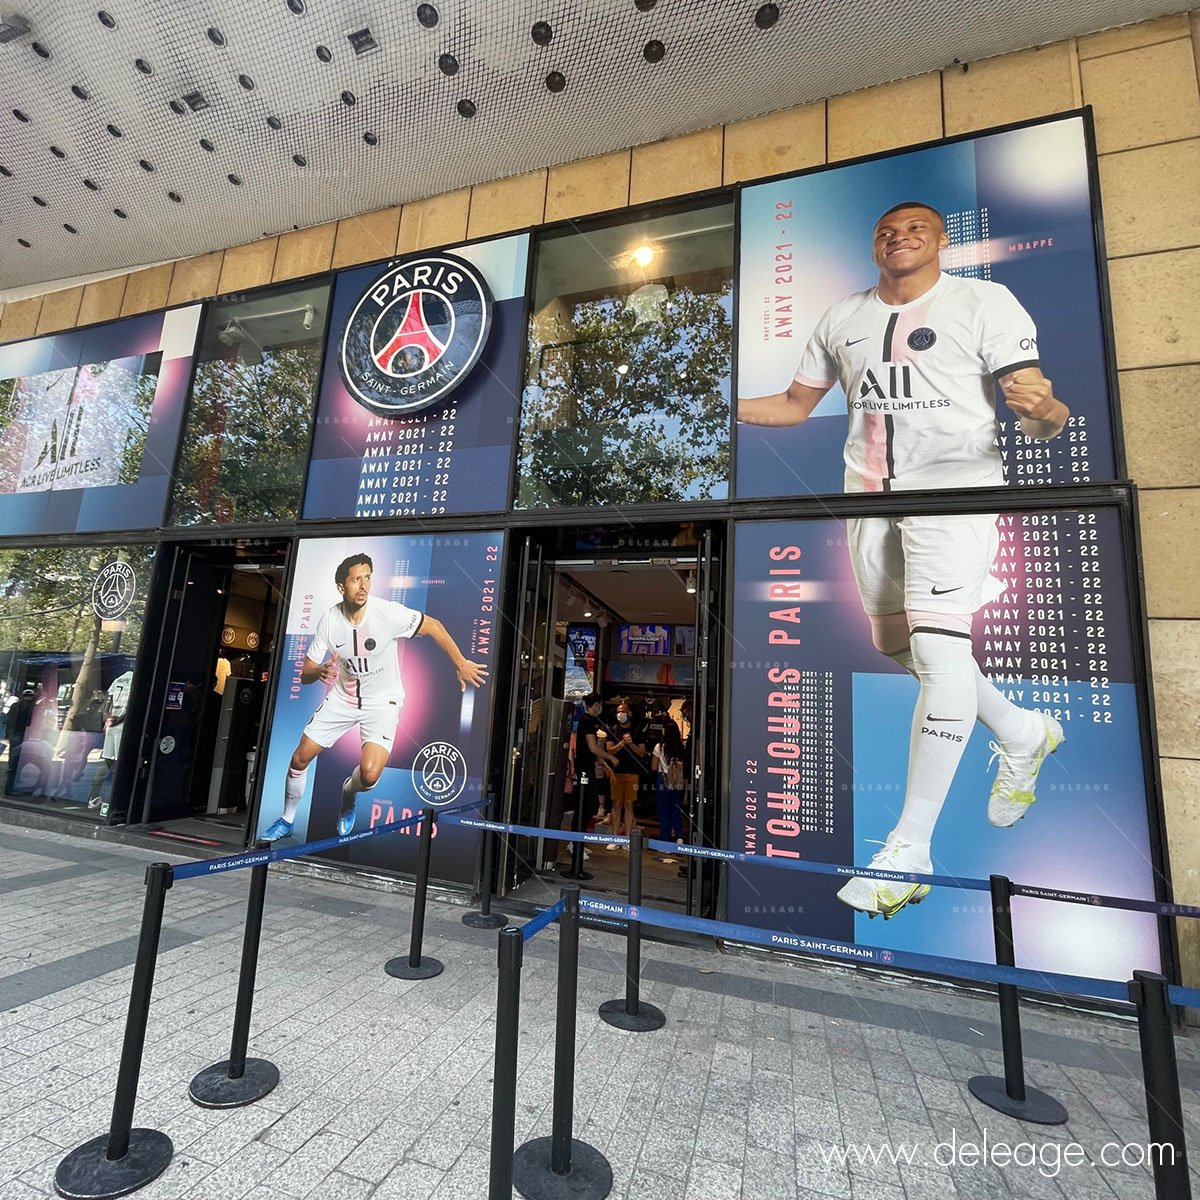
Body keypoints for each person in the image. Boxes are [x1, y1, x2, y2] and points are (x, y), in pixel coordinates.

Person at [739, 201, 1070, 919]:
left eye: (916, 229)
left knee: (942, 653)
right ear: (873, 245)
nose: (901, 238)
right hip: (866, 499)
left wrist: (1042, 410)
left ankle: (909, 851)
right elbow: (797, 405)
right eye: (888, 231)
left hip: (955, 495)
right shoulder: (843, 317)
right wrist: (721, 405)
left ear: (942, 240)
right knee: (897, 644)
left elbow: (1044, 414)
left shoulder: (985, 301)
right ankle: (1022, 730)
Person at [262, 553, 487, 841]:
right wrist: (319, 670)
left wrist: (460, 662)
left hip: (382, 703)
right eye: (356, 579)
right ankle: (287, 819)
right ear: (341, 586)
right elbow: (305, 672)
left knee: (368, 775)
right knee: (299, 758)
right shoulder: (329, 621)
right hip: (342, 700)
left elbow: (434, 626)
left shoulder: (386, 613)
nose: (363, 585)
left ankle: (348, 792)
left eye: (367, 577)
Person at [606, 699, 647, 845]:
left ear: (629, 713)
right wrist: (623, 743)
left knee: (629, 805)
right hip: (616, 773)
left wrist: (631, 744)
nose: (620, 714)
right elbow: (609, 750)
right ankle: (614, 838)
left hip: (633, 773)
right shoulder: (612, 729)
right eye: (618, 712)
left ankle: (628, 838)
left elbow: (642, 753)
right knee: (616, 804)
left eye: (623, 711)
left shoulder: (637, 730)